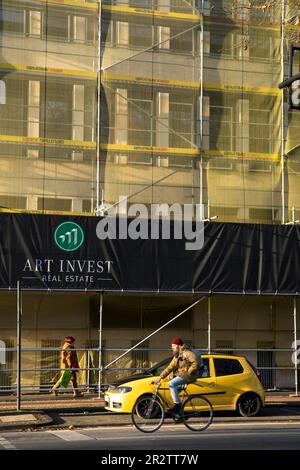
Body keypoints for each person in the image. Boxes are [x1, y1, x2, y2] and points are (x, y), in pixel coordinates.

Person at [153, 337, 199, 416]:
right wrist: (160, 378)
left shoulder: (187, 353)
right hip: (183, 375)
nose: (172, 348)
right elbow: (169, 368)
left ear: (178, 346)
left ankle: (177, 406)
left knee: (171, 384)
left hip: (190, 375)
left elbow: (195, 363)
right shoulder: (177, 356)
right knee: (173, 393)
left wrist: (188, 372)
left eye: (173, 346)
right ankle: (180, 414)